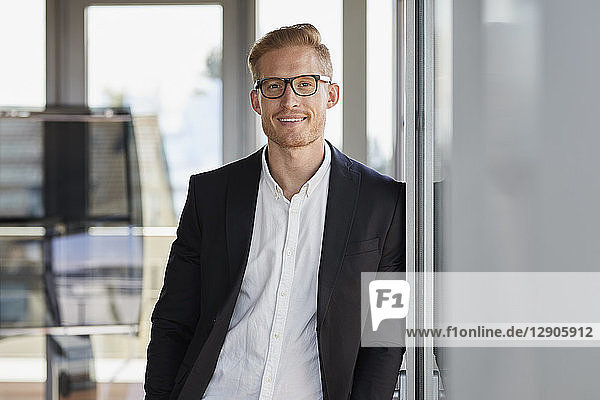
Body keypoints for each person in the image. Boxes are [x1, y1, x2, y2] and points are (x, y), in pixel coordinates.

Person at [144, 23, 405, 400]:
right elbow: (173, 320)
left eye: (305, 84)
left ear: (330, 95)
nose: (289, 101)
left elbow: (386, 336)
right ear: (257, 101)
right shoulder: (211, 195)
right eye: (274, 86)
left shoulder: (384, 202)